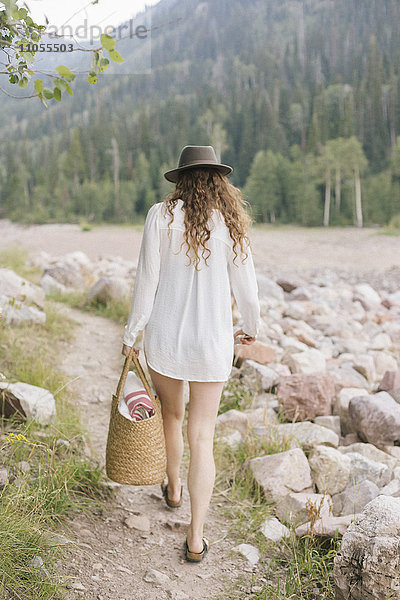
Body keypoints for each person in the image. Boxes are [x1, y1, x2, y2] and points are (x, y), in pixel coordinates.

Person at [121, 145, 260, 562]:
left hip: (165, 339)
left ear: (180, 180)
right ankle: (196, 538)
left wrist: (132, 334)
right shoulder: (231, 224)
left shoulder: (159, 216)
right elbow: (247, 290)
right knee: (203, 436)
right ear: (220, 181)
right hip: (213, 343)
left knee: (171, 415)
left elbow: (146, 281)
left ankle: (174, 487)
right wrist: (250, 329)